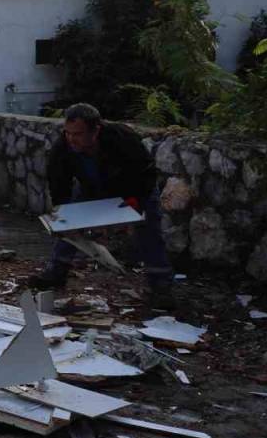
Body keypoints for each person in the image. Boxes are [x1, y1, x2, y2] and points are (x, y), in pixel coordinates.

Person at [28, 103, 174, 307]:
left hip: (134, 188)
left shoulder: (123, 138)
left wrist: (133, 207)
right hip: (91, 186)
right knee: (69, 225)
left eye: (78, 134)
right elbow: (58, 182)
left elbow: (145, 175)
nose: (71, 139)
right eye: (68, 133)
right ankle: (56, 272)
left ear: (96, 130)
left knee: (149, 230)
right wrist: (63, 216)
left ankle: (161, 285)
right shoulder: (63, 146)